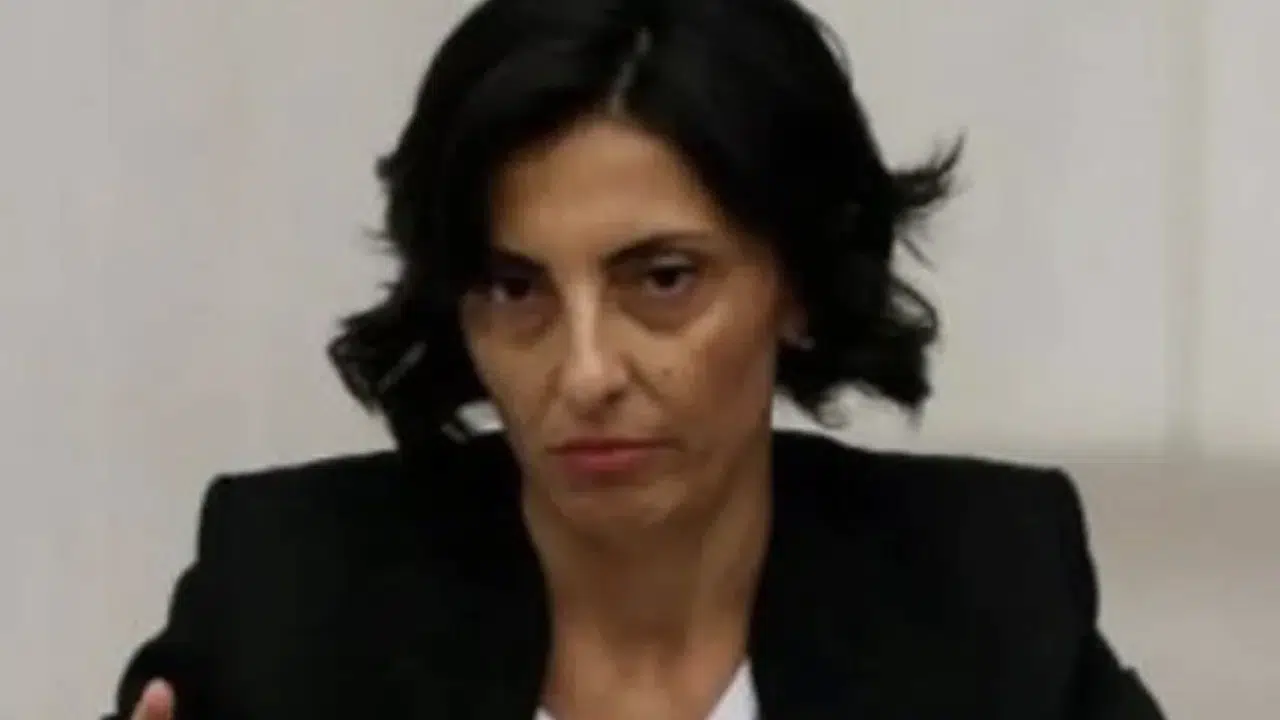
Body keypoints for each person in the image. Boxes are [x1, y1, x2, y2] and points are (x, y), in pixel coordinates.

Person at [110, 0, 1166, 718]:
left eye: (661, 279)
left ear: (796, 284)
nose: (584, 373)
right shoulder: (290, 594)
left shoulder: (984, 591)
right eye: (515, 289)